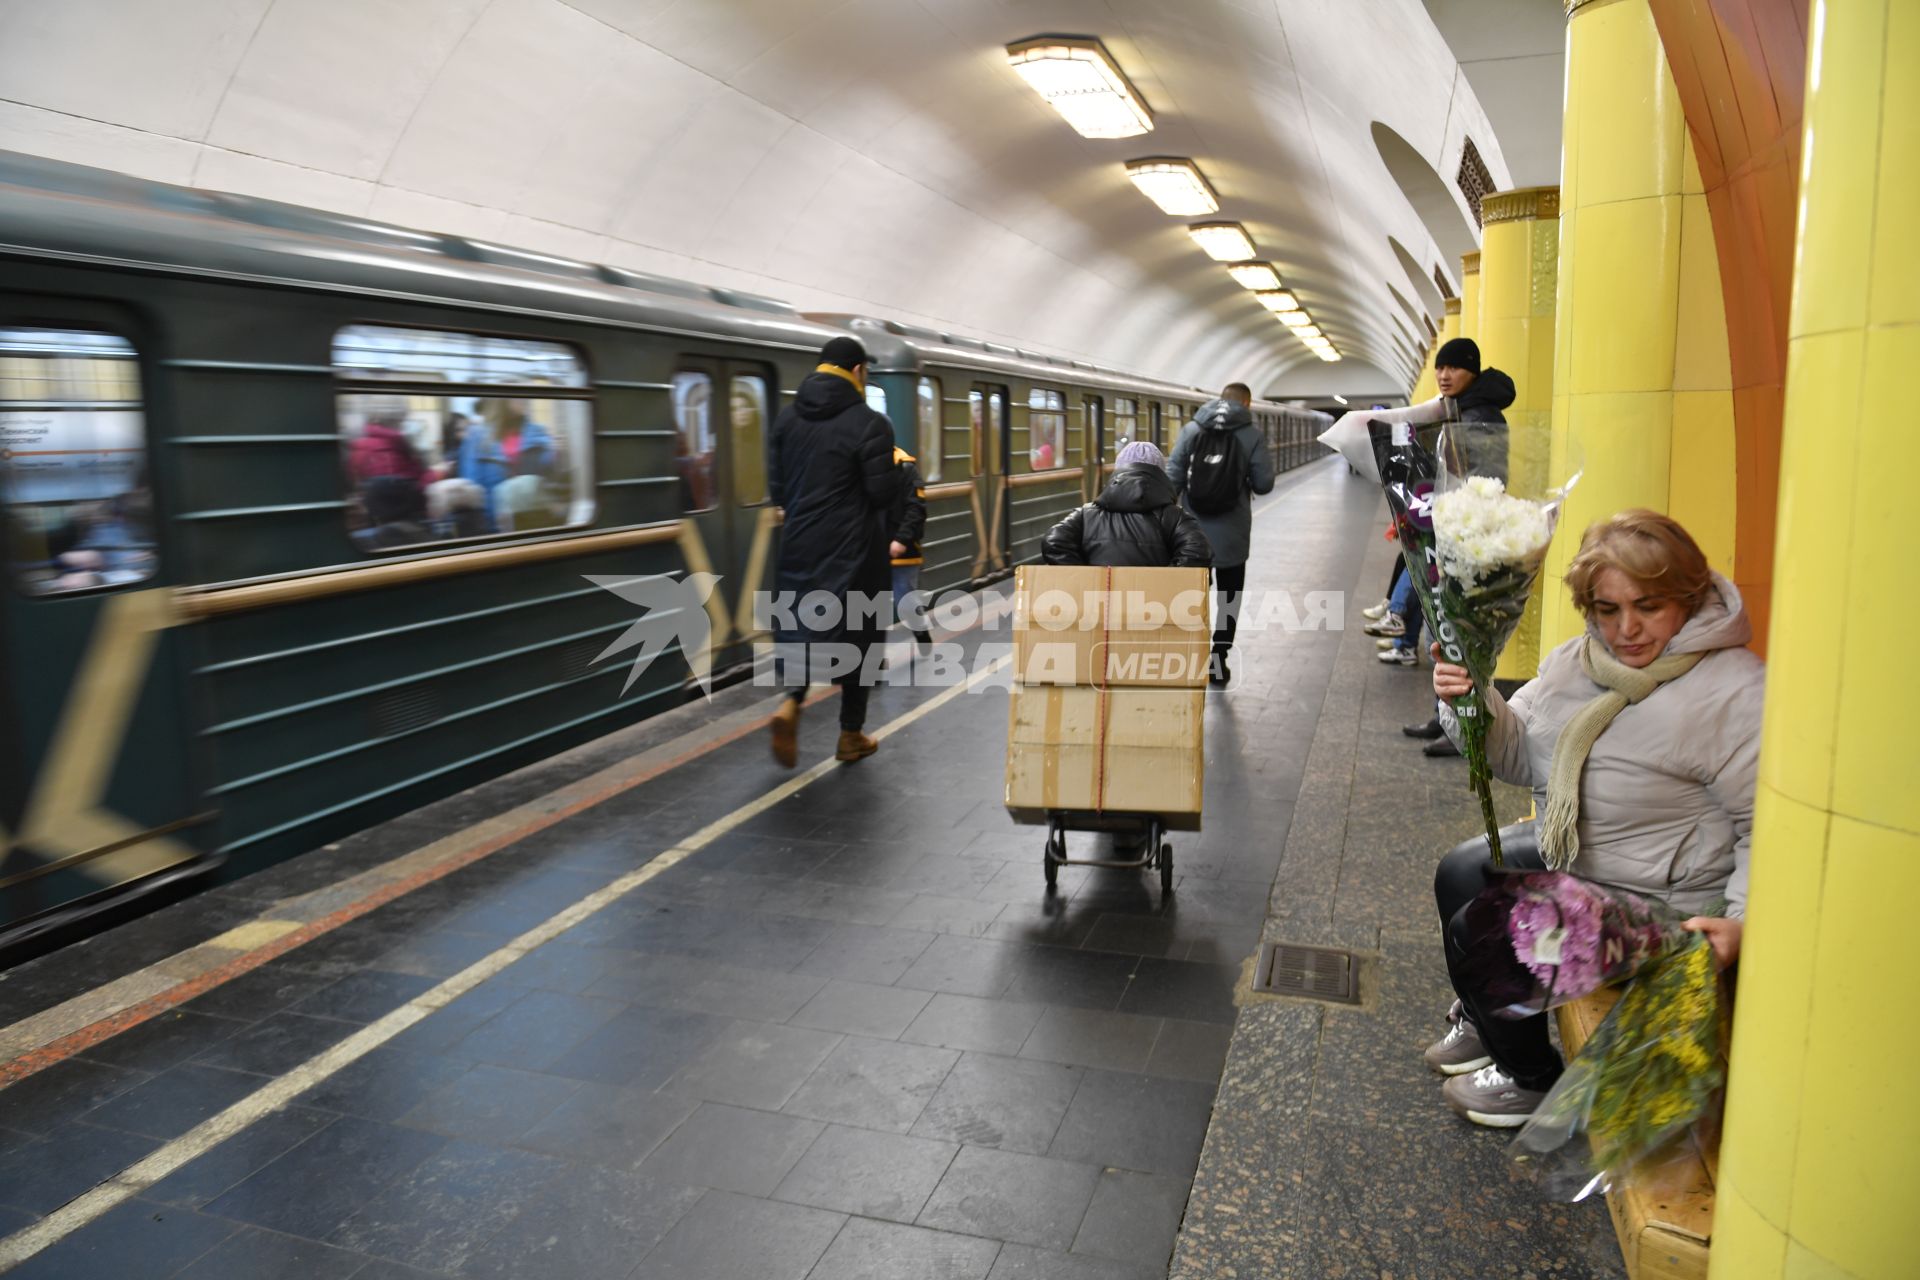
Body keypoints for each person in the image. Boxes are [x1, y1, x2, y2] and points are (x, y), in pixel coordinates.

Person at [1423, 510, 1762, 1127]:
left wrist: (1742, 923)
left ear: (1689, 595)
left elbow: (1763, 824)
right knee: (1461, 870)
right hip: (1588, 858)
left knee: (1487, 930)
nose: (1627, 628)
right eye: (1607, 610)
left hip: (1664, 900)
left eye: (1649, 605)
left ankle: (1531, 1082)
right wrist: (1473, 698)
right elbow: (1519, 755)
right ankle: (1488, 1015)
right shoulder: (1577, 662)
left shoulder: (1736, 693)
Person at [768, 336, 901, 767]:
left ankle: (791, 702)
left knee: (805, 625)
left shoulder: (787, 420)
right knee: (859, 638)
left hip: (800, 543)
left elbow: (778, 489)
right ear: (859, 371)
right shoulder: (870, 424)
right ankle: (850, 735)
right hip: (855, 549)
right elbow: (880, 492)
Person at [1385, 339, 1518, 759]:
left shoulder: (1480, 416)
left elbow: (1487, 479)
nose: (1443, 375)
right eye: (1440, 368)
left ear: (1472, 371)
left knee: (1458, 634)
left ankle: (1463, 725)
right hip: (1447, 532)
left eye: (1453, 368)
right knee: (1440, 630)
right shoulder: (1458, 409)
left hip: (1467, 538)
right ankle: (1444, 715)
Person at [1167, 382, 1274, 685]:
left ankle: (1189, 654)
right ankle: (1218, 660)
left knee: (1191, 595)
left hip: (1192, 531)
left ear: (1218, 400)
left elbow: (1172, 476)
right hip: (1233, 533)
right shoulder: (1251, 434)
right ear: (1247, 404)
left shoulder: (1191, 430)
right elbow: (1265, 484)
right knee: (1229, 598)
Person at [1042, 441, 1211, 568]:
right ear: (1160, 474)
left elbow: (1053, 541)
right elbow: (1198, 552)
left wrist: (1087, 578)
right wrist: (1164, 583)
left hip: (1103, 607)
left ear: (1118, 471)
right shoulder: (1175, 517)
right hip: (1153, 608)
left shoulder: (1086, 515)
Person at [887, 444, 933, 651]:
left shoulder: (906, 467)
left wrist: (902, 540)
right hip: (870, 548)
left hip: (903, 549)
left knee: (904, 600)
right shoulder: (860, 464)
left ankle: (920, 632)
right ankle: (873, 656)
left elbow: (916, 508)